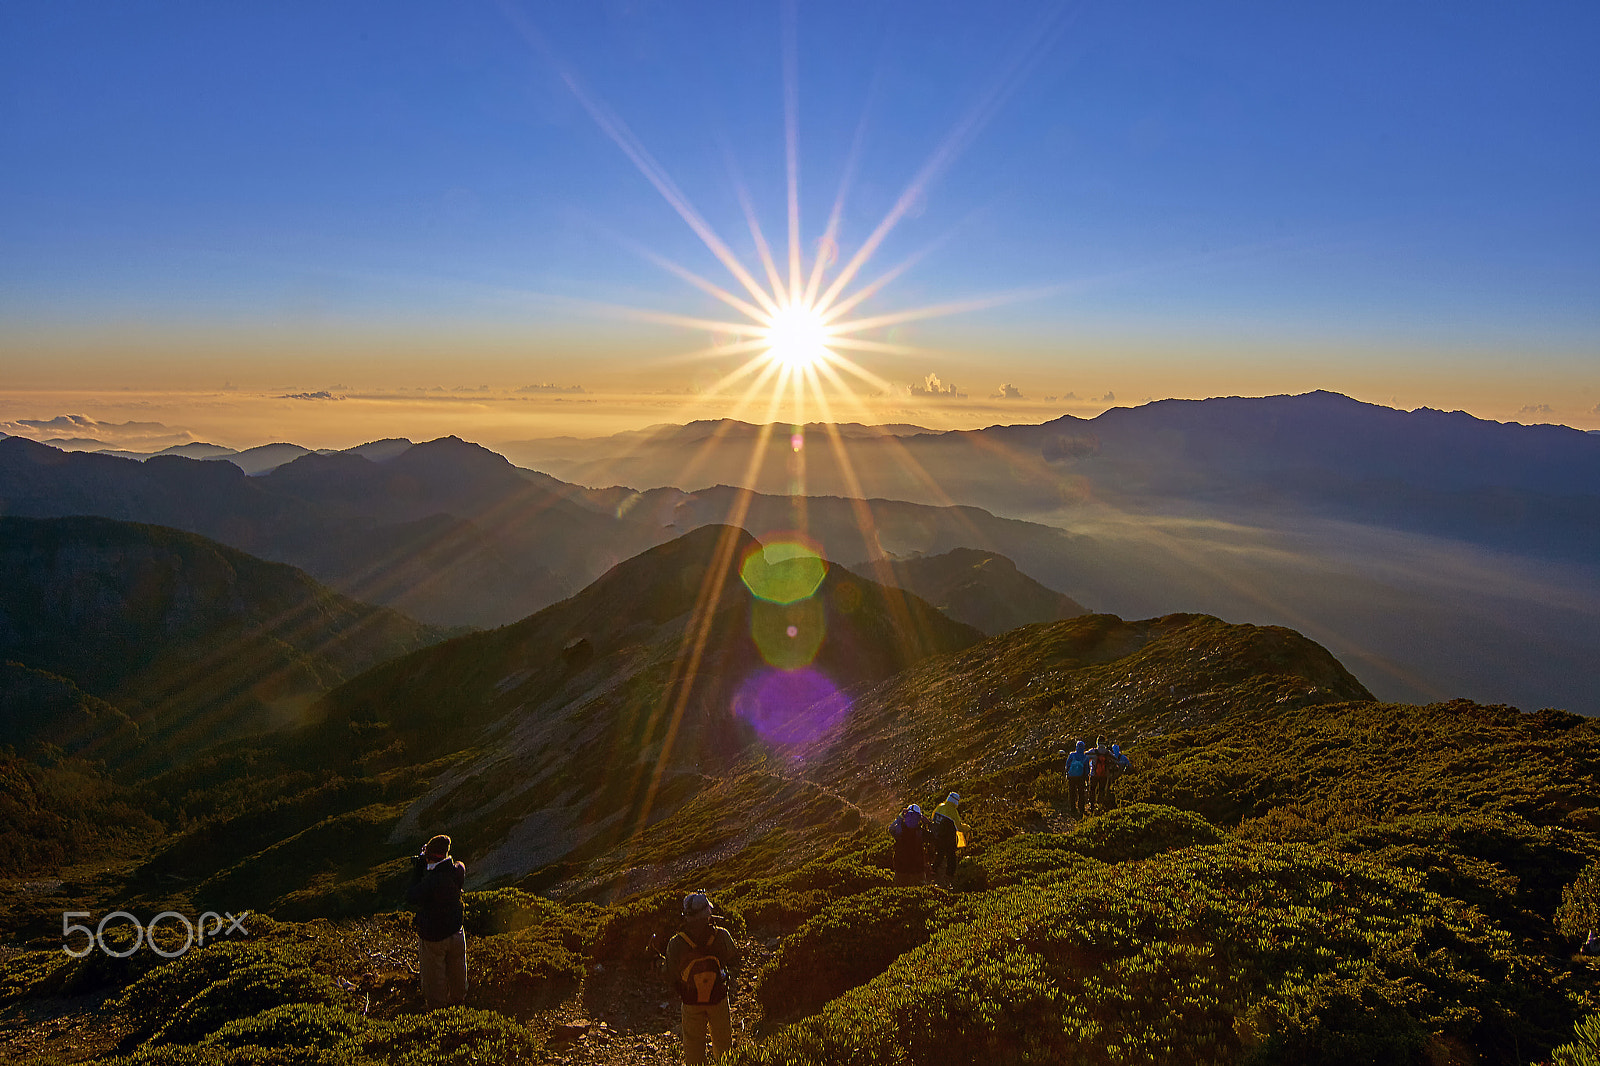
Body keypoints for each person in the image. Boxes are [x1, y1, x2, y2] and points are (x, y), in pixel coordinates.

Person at [665, 892, 740, 1066]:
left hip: (691, 1001)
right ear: (707, 913)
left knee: (693, 1046)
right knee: (723, 1045)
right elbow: (733, 958)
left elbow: (670, 975)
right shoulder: (722, 935)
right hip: (718, 997)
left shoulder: (675, 943)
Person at [406, 834, 467, 1009]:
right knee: (457, 970)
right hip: (456, 931)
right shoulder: (457, 870)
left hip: (434, 937)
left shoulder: (432, 881)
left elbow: (411, 896)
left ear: (430, 857)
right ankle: (458, 1002)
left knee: (434, 977)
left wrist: (418, 870)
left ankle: (437, 1011)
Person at [929, 792, 968, 889]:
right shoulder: (953, 811)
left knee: (940, 853)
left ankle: (934, 869)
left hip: (937, 836)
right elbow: (958, 827)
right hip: (948, 839)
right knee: (951, 856)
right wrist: (967, 828)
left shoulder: (940, 807)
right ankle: (949, 875)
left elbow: (933, 817)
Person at [889, 803, 931, 886]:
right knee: (920, 890)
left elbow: (891, 828)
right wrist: (928, 823)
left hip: (900, 866)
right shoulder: (921, 832)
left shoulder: (899, 830)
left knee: (899, 889)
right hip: (917, 868)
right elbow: (933, 837)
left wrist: (900, 817)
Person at [1064, 740, 1090, 817]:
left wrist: (1067, 773)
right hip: (1080, 777)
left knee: (1072, 792)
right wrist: (1086, 777)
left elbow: (1067, 765)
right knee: (1081, 792)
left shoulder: (1072, 755)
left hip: (1071, 776)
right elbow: (1087, 769)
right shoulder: (1085, 757)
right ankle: (1081, 808)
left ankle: (1072, 807)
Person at [1087, 736, 1111, 812]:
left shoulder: (1093, 751)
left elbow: (1085, 756)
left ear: (1097, 742)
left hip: (1094, 774)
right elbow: (1116, 760)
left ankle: (1091, 805)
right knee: (1101, 790)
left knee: (1092, 789)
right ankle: (1100, 805)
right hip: (1104, 774)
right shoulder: (1107, 752)